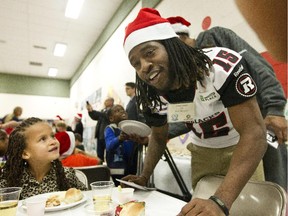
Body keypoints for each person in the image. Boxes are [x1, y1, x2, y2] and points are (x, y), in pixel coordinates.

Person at [122, 8, 267, 216]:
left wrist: (220, 200)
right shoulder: (152, 96)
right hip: (202, 151)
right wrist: (144, 176)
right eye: (136, 63)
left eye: (149, 52)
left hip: (241, 147)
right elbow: (159, 136)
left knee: (248, 211)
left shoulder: (219, 66)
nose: (144, 66)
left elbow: (254, 134)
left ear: (172, 46)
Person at [167, 16, 288, 190]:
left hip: (260, 119)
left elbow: (259, 67)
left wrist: (275, 109)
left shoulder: (216, 37)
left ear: (181, 40)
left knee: (274, 184)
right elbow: (191, 112)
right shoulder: (185, 71)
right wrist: (162, 132)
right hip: (229, 139)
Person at [0, 117, 87, 199]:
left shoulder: (67, 175)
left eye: (53, 136)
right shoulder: (10, 181)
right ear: (25, 153)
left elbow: (87, 198)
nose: (53, 141)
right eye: (43, 139)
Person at [105, 104, 148, 186]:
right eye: (117, 111)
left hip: (131, 167)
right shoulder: (110, 129)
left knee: (131, 187)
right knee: (119, 187)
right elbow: (109, 146)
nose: (122, 111)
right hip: (117, 169)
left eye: (122, 109)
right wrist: (119, 139)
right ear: (111, 118)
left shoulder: (131, 128)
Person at [86, 97, 114, 162]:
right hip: (100, 136)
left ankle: (108, 168)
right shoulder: (103, 110)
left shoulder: (112, 110)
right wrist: (90, 111)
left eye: (107, 100)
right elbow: (95, 117)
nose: (105, 102)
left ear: (111, 102)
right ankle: (99, 167)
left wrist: (93, 110)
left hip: (107, 136)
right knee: (99, 154)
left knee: (108, 154)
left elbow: (104, 115)